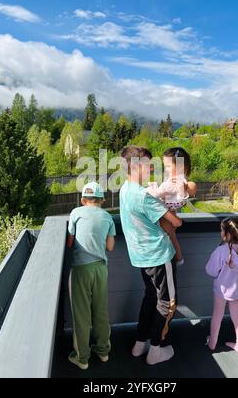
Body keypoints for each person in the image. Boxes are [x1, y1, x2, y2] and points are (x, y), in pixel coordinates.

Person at [119, 146, 183, 365]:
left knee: (150, 297)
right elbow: (176, 222)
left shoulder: (125, 189)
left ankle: (140, 344)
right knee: (168, 302)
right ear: (135, 166)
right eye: (147, 164)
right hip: (158, 256)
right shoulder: (144, 197)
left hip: (140, 257)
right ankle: (156, 349)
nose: (151, 168)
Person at [67, 182, 116, 370]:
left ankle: (82, 357)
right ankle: (103, 351)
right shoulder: (108, 217)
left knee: (81, 314)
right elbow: (110, 247)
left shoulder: (76, 213)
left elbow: (71, 242)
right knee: (100, 310)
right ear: (102, 200)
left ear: (83, 200)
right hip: (101, 269)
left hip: (81, 268)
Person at [206, 216, 238, 356]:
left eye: (221, 230)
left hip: (221, 291)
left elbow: (210, 270)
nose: (220, 233)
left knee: (217, 315)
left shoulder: (221, 251)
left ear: (227, 235)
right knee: (237, 317)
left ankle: (212, 343)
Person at [146, 147, 197, 265]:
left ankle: (177, 258)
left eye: (169, 166)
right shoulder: (176, 180)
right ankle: (179, 258)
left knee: (170, 235)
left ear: (180, 166)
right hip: (170, 210)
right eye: (165, 166)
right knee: (171, 236)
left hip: (168, 209)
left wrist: (151, 190)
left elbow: (161, 192)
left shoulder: (176, 182)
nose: (166, 169)